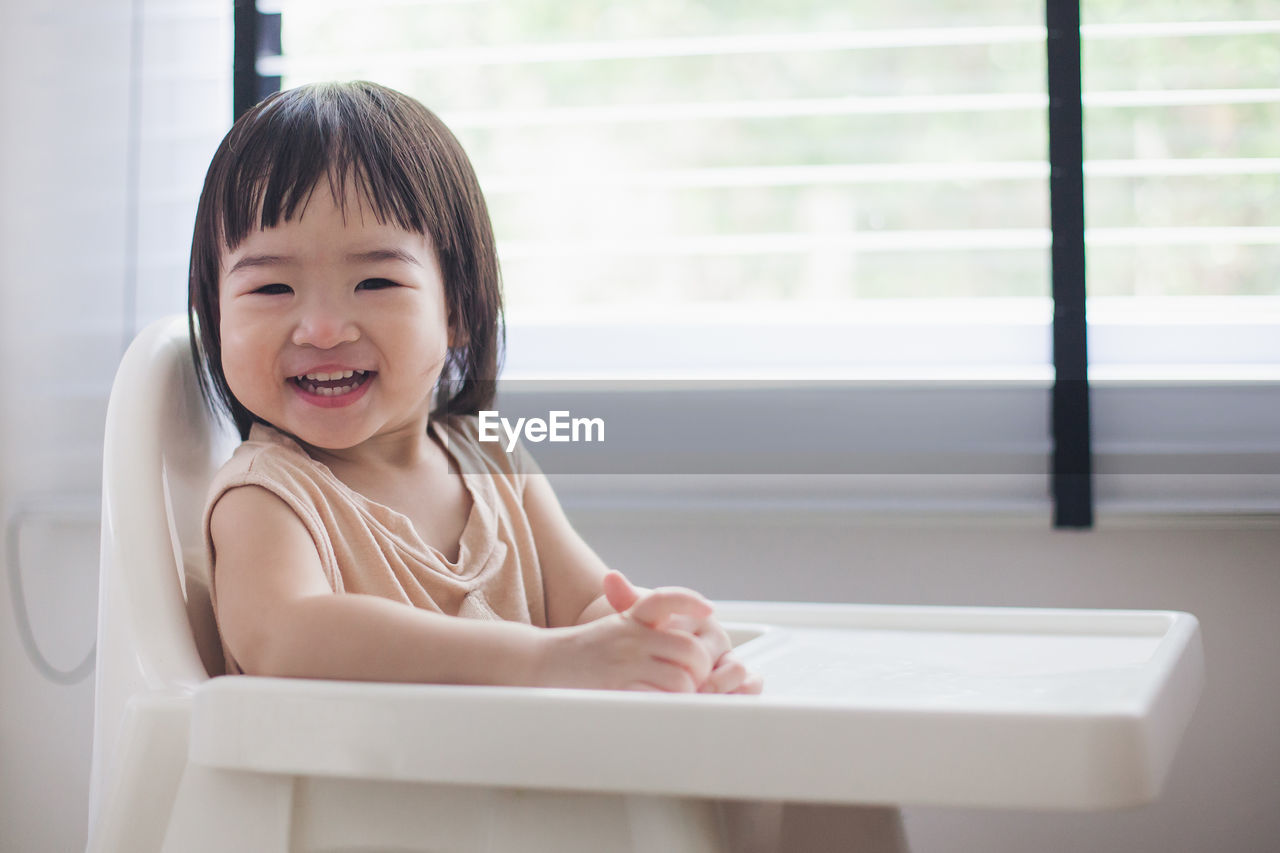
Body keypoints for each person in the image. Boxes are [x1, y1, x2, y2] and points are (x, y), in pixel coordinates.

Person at [188, 80, 905, 852]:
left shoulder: (492, 457)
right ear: (215, 314)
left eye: (376, 280)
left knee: (831, 772)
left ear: (457, 306)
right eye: (270, 286)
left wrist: (664, 648)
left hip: (533, 809)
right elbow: (288, 636)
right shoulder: (267, 494)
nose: (322, 325)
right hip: (372, 821)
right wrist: (547, 659)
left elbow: (591, 605)